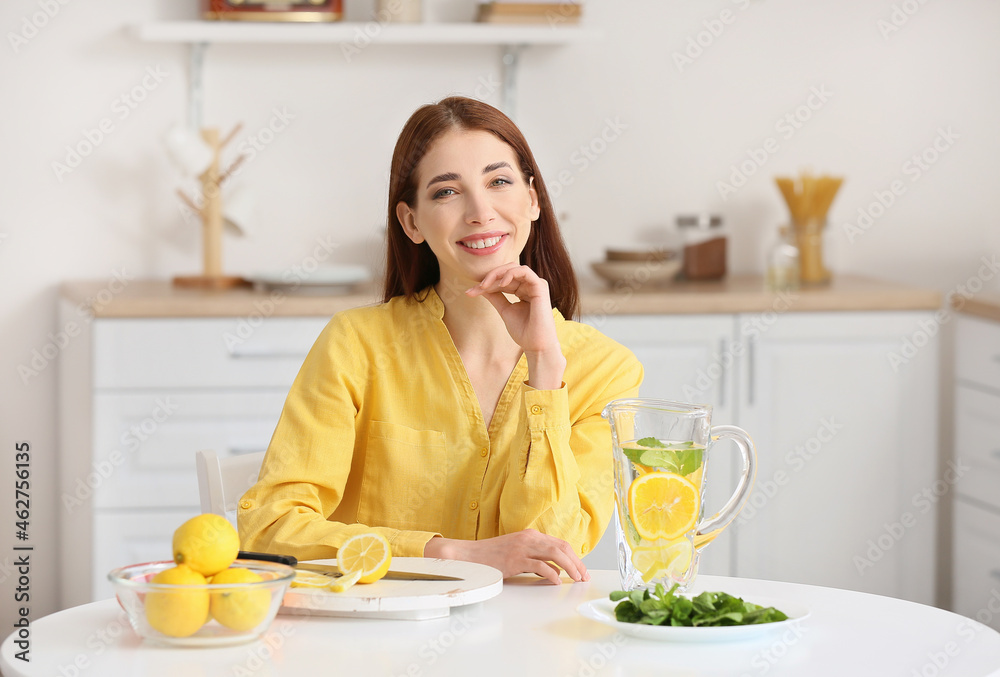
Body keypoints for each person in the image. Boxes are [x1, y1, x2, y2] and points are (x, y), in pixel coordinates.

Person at [238, 96, 643, 585]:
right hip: (374, 640)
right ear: (411, 222)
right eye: (447, 192)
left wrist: (543, 368)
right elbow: (269, 528)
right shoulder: (356, 345)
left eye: (499, 182)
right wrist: (448, 553)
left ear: (532, 200)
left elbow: (550, 553)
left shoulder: (609, 372)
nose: (480, 212)